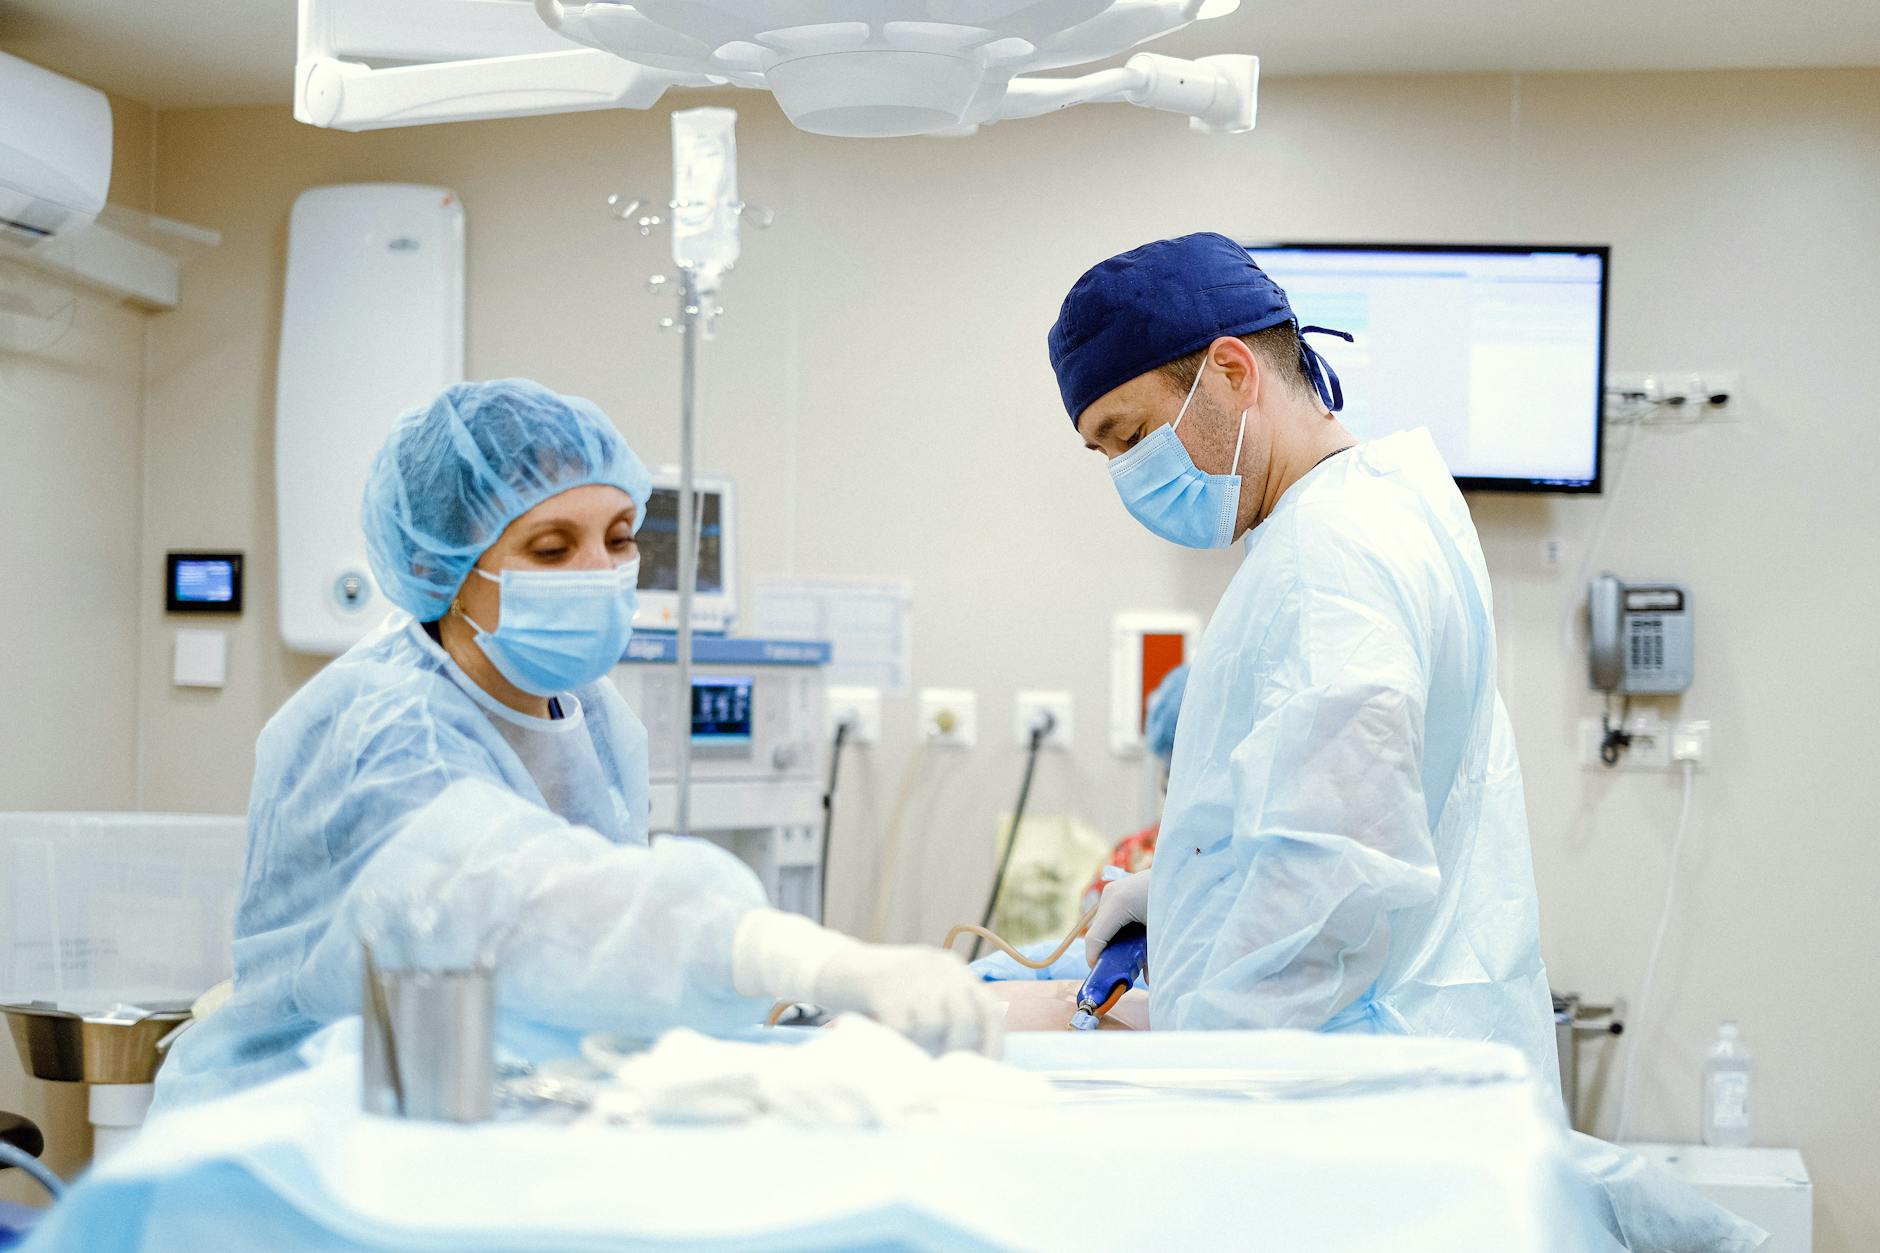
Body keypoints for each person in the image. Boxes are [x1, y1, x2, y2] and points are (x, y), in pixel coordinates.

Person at [1049, 236, 1763, 1252]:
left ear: (1228, 373)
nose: (1124, 472)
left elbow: (1326, 874)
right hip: (1399, 1102)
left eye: (1125, 435)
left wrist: (1200, 1090)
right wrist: (1175, 892)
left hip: (1355, 1143)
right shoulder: (1383, 507)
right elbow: (1339, 805)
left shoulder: (1325, 558)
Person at [154, 380, 996, 1111]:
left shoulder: (585, 710)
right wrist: (801, 957)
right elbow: (527, 904)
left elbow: (582, 949)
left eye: (621, 537)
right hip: (304, 1134)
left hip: (485, 1103)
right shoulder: (384, 730)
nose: (599, 569)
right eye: (552, 547)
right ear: (444, 567)